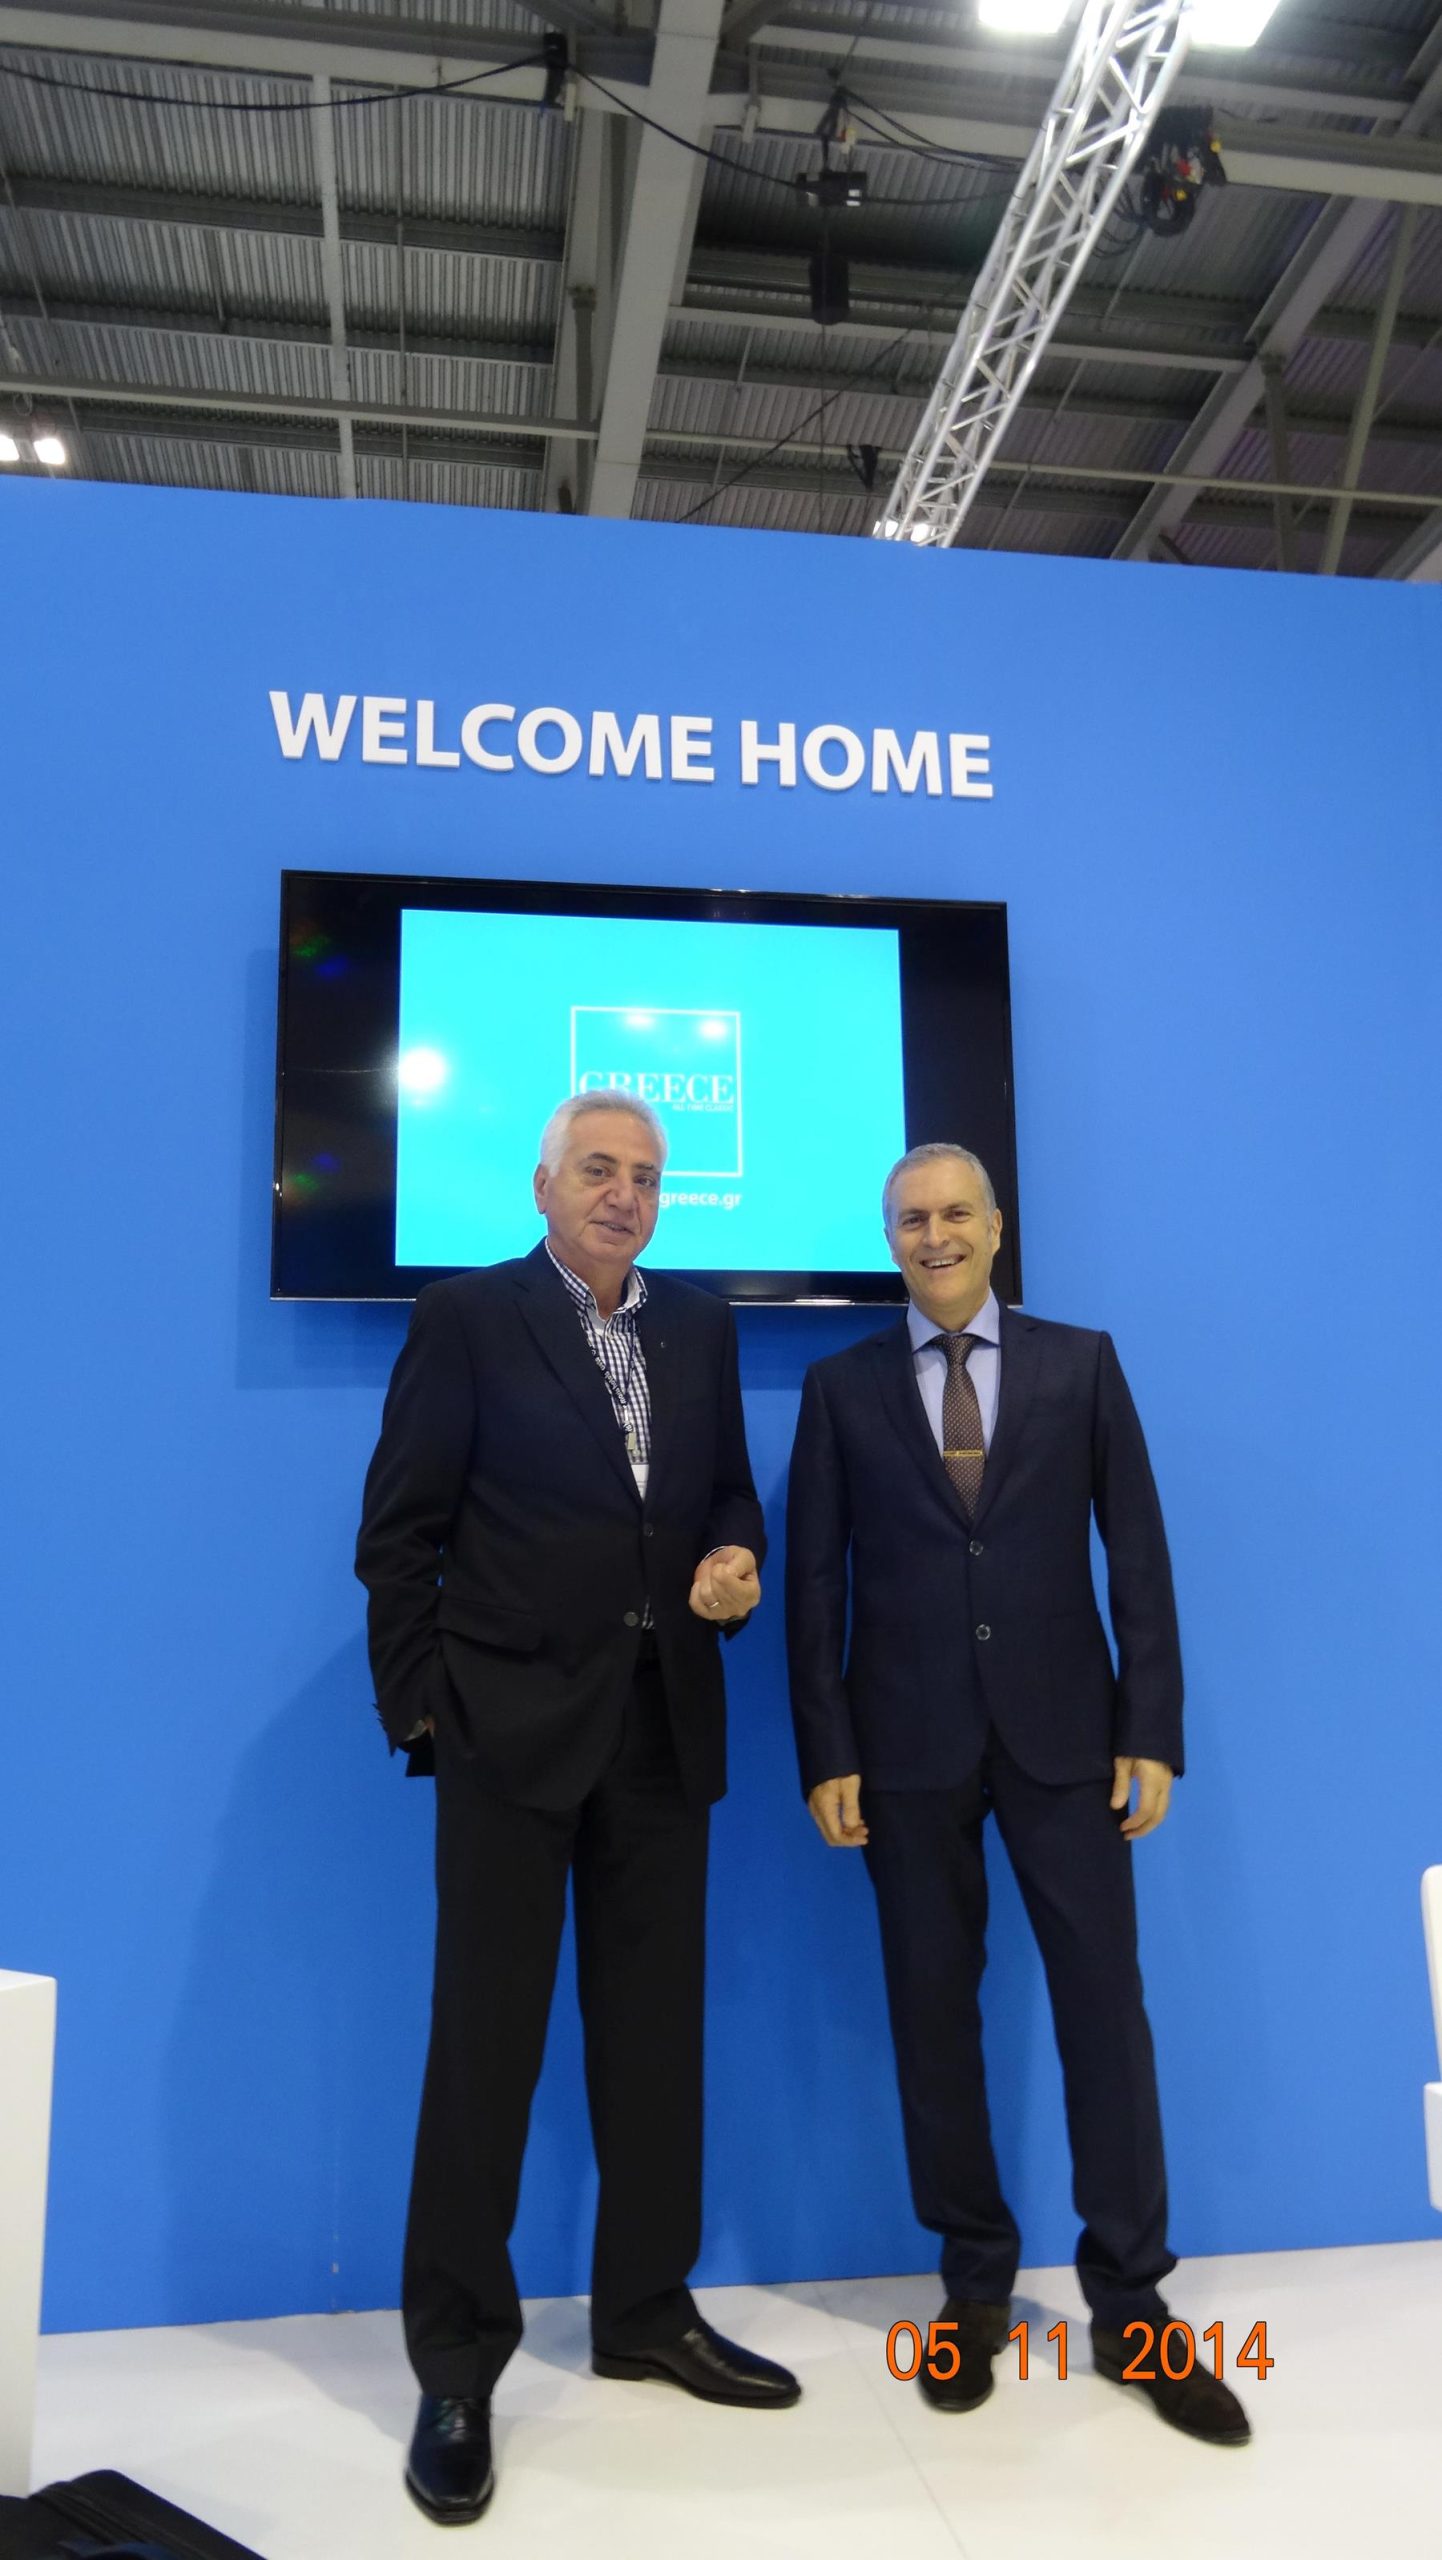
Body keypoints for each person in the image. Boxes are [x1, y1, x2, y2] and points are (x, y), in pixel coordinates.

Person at [357, 1090, 799, 2527]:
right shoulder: (468, 1318)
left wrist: (734, 1562)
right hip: (508, 1739)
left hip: (664, 1732)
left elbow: (728, 1496)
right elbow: (399, 1533)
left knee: (654, 2042)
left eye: (647, 1176)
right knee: (482, 2055)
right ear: (543, 1185)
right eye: (598, 1170)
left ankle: (646, 2312)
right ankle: (455, 2366)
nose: (624, 1194)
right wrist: (425, 1710)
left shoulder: (700, 1328)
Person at [784, 1142, 1248, 2448]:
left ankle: (1133, 2309)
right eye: (908, 1219)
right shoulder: (839, 1388)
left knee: (1106, 2015)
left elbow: (1137, 1551)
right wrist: (826, 1750)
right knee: (932, 2020)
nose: (932, 1235)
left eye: (954, 1214)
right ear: (889, 1240)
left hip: (1067, 1743)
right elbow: (813, 1583)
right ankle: (974, 2288)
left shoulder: (1080, 1365)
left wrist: (1148, 1728)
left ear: (996, 1228)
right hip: (903, 1752)